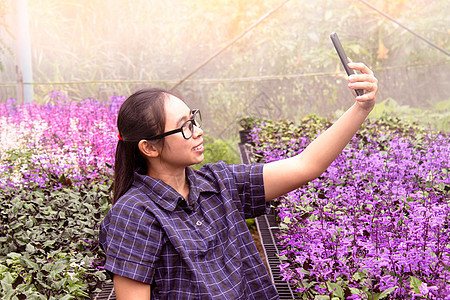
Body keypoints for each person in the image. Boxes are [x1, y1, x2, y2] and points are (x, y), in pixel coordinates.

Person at [99, 61, 378, 299]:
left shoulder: (218, 183)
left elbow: (305, 165)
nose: (198, 131)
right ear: (149, 147)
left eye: (193, 120)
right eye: (184, 127)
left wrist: (360, 109)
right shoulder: (134, 215)